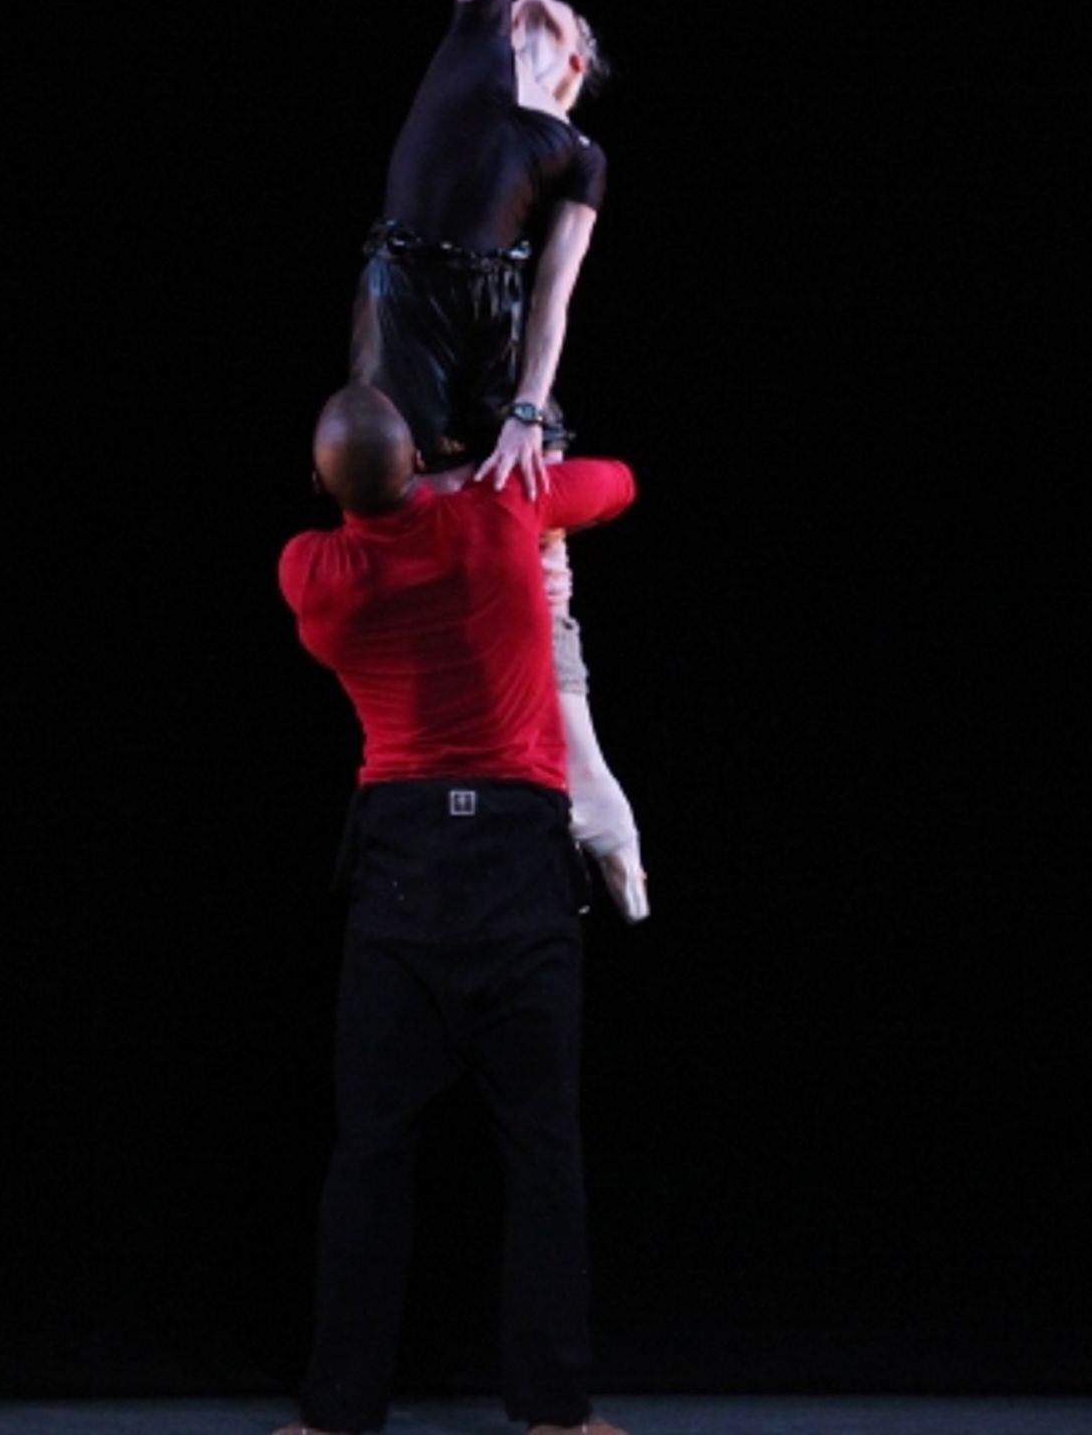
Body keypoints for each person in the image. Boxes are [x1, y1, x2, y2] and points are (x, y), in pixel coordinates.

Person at [347, 0, 648, 925]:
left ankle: (586, 787)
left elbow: (558, 295)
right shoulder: (475, 15)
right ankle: (434, 745)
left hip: (492, 317)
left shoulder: (573, 149)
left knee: (536, 530)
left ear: (572, 61)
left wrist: (531, 408)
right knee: (401, 500)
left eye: (559, 8)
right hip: (404, 294)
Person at [274, 382, 635, 1435]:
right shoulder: (498, 511)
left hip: (402, 865)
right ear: (421, 461)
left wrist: (409, 484)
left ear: (322, 485)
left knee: (372, 1145)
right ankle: (557, 1413)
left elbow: (364, 510)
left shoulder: (313, 571)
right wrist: (485, 469)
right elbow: (617, 485)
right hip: (516, 859)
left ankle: (335, 1412)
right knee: (541, 1144)